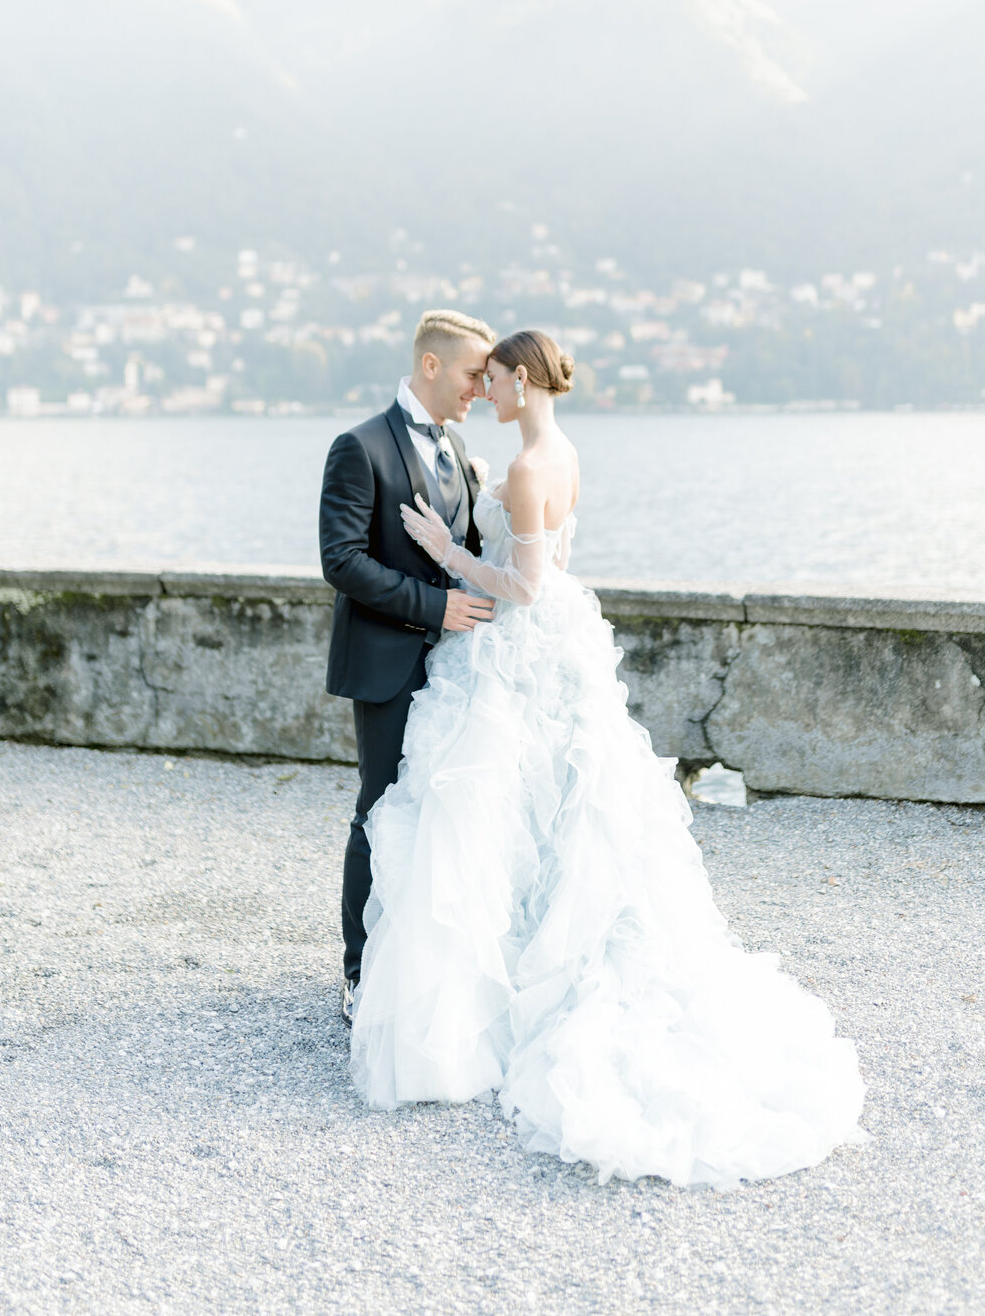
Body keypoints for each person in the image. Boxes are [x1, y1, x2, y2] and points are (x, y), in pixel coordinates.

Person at [348, 327, 868, 1189]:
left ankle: (491, 997)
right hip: (556, 653)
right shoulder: (566, 453)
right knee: (553, 813)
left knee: (489, 811)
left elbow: (526, 585)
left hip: (516, 646)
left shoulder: (517, 468)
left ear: (520, 378)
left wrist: (446, 555)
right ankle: (526, 965)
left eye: (496, 377)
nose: (489, 390)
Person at [319, 309, 499, 1024]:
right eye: (472, 375)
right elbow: (342, 560)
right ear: (431, 365)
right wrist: (434, 608)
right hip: (388, 661)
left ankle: (414, 968)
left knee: (437, 816)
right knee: (381, 811)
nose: (481, 390)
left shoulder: (459, 448)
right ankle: (360, 974)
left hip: (455, 672)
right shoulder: (358, 446)